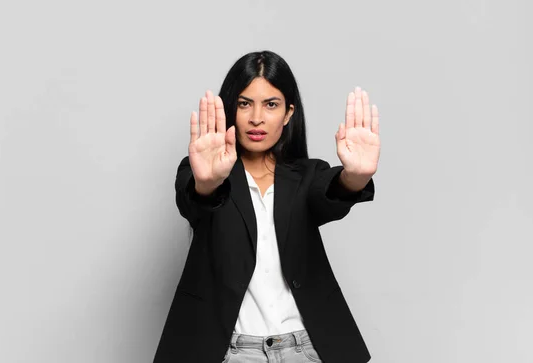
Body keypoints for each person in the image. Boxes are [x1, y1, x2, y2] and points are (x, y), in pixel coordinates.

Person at [153, 50, 380, 363]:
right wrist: (207, 183)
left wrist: (355, 177)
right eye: (245, 103)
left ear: (288, 114)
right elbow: (195, 200)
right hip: (230, 353)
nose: (256, 117)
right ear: (231, 108)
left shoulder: (308, 175)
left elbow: (331, 196)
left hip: (306, 349)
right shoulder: (203, 172)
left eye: (270, 104)